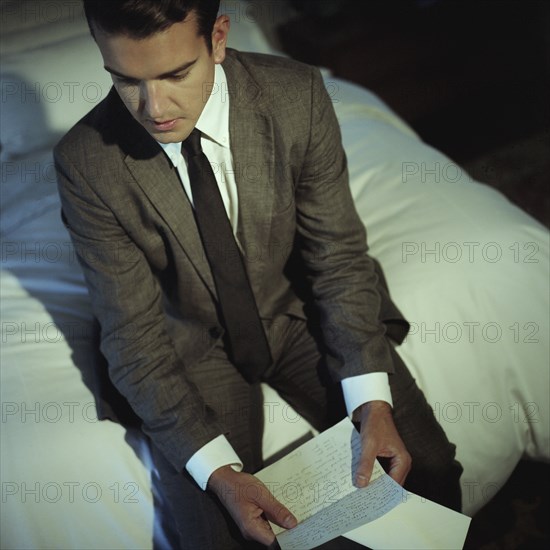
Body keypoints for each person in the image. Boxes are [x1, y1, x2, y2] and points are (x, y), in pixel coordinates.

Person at [54, 1, 462, 548]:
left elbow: (336, 255)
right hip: (189, 346)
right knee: (216, 540)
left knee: (428, 472)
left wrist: (371, 402)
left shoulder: (296, 96)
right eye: (126, 80)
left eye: (176, 74)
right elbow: (132, 336)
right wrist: (219, 474)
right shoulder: (86, 162)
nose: (154, 108)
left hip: (297, 311)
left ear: (218, 39)